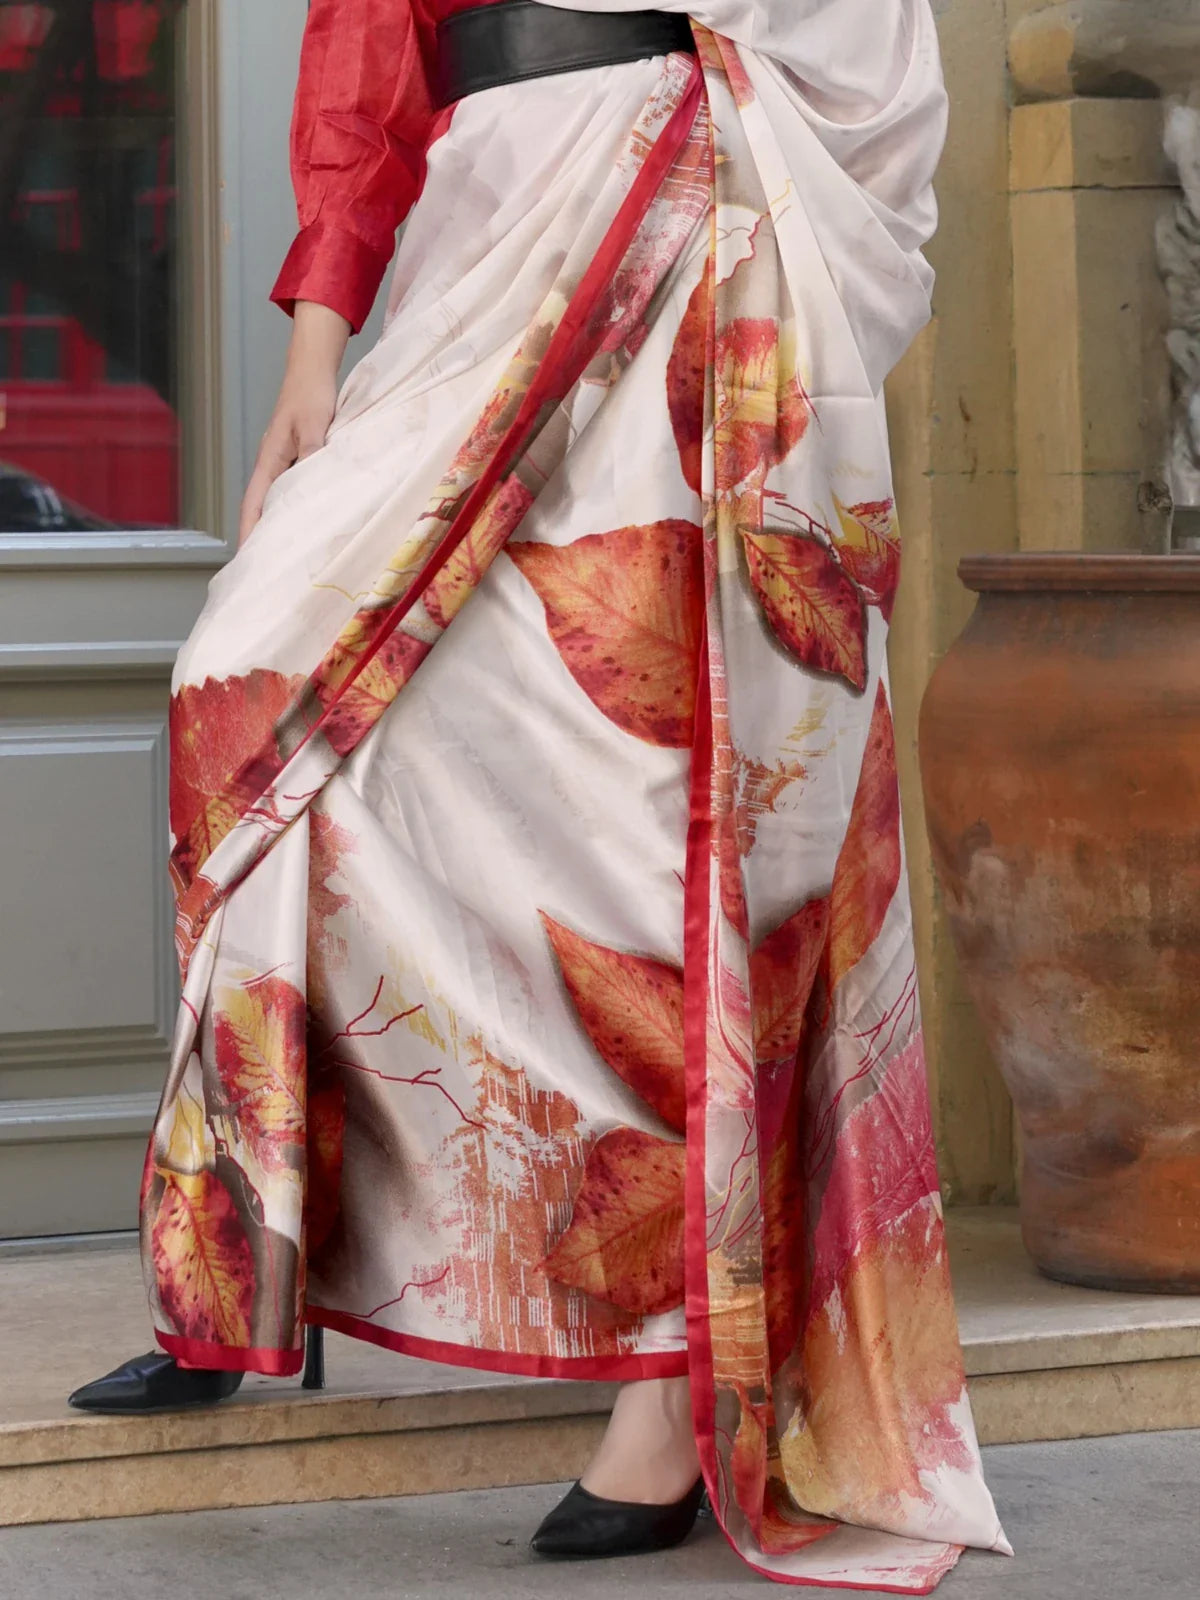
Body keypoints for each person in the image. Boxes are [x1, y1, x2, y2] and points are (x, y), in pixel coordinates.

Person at [70, 0, 1010, 1586]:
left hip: (691, 199)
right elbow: (370, 30)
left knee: (655, 804)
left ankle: (663, 1387)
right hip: (485, 217)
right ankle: (249, 1253)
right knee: (249, 695)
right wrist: (320, 336)